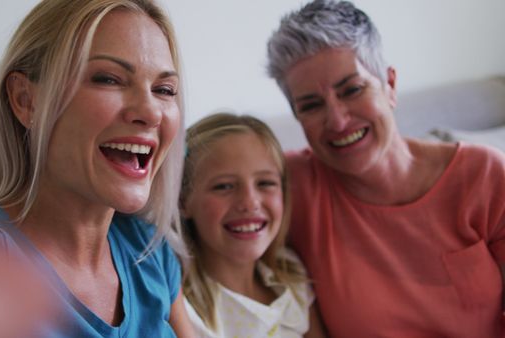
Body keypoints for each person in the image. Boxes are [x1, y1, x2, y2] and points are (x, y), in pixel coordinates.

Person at [0, 0, 194, 336]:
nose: (151, 113)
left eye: (164, 90)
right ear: (25, 100)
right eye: (109, 79)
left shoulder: (150, 249)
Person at [266, 0, 505, 337]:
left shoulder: (484, 176)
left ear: (389, 84)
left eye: (352, 90)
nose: (337, 120)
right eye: (311, 105)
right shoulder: (289, 186)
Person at [179, 113, 326, 338]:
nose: (249, 202)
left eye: (265, 183)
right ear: (182, 201)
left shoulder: (291, 275)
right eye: (224, 186)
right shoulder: (184, 307)